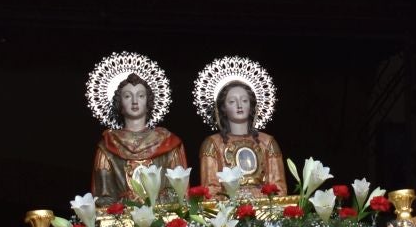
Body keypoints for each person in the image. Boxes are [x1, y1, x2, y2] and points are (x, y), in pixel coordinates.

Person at [87, 50, 187, 201]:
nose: (135, 101)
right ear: (120, 105)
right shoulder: (108, 146)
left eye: (140, 96)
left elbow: (180, 194)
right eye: (127, 96)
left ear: (148, 103)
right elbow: (103, 197)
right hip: (122, 220)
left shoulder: (169, 143)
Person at [193, 55, 287, 193]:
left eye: (244, 100)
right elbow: (210, 191)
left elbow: (279, 189)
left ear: (251, 105)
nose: (239, 105)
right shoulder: (213, 144)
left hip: (266, 210)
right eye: (232, 101)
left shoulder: (268, 143)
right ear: (223, 108)